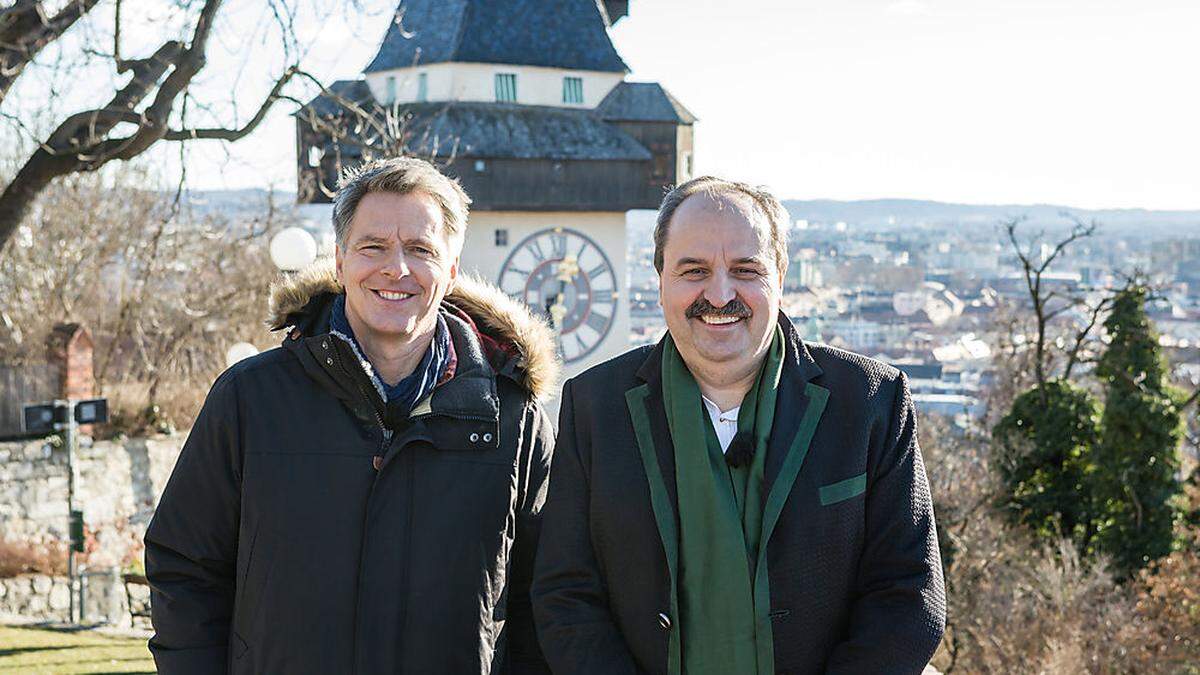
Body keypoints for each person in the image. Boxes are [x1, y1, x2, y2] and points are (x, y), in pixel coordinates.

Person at [145, 157, 557, 674]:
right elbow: (185, 568)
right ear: (340, 262)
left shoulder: (513, 421)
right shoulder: (249, 399)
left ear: (451, 271)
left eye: (421, 249)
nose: (397, 268)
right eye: (373, 247)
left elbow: (545, 600)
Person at [533, 176, 945, 674]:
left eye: (746, 270)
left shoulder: (870, 402)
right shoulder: (595, 405)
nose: (720, 293)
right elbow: (566, 595)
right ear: (659, 276)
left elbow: (908, 596)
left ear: (781, 276)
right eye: (694, 271)